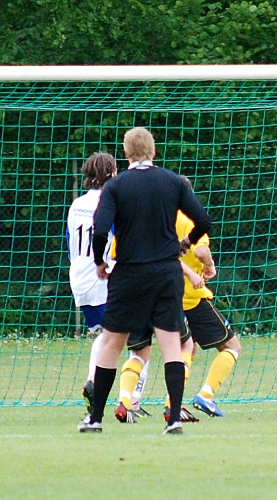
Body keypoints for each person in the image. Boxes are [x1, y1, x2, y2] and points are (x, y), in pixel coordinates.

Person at [77, 127, 211, 435]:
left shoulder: (116, 186)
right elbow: (203, 220)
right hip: (166, 274)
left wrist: (99, 262)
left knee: (112, 343)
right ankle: (174, 419)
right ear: (153, 152)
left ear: (125, 155)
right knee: (171, 346)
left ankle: (95, 419)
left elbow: (99, 231)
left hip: (129, 274)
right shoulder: (173, 182)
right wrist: (185, 244)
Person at [116, 177, 240, 421]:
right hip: (187, 298)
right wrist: (208, 265)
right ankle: (199, 396)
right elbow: (201, 250)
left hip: (142, 292)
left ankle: (124, 399)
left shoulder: (149, 218)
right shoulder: (189, 220)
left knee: (141, 351)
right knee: (227, 346)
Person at [66, 152, 116, 413]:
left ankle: (96, 383)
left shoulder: (76, 205)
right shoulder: (111, 203)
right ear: (112, 174)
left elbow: (70, 244)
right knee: (118, 335)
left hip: (79, 276)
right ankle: (97, 382)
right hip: (102, 276)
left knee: (107, 333)